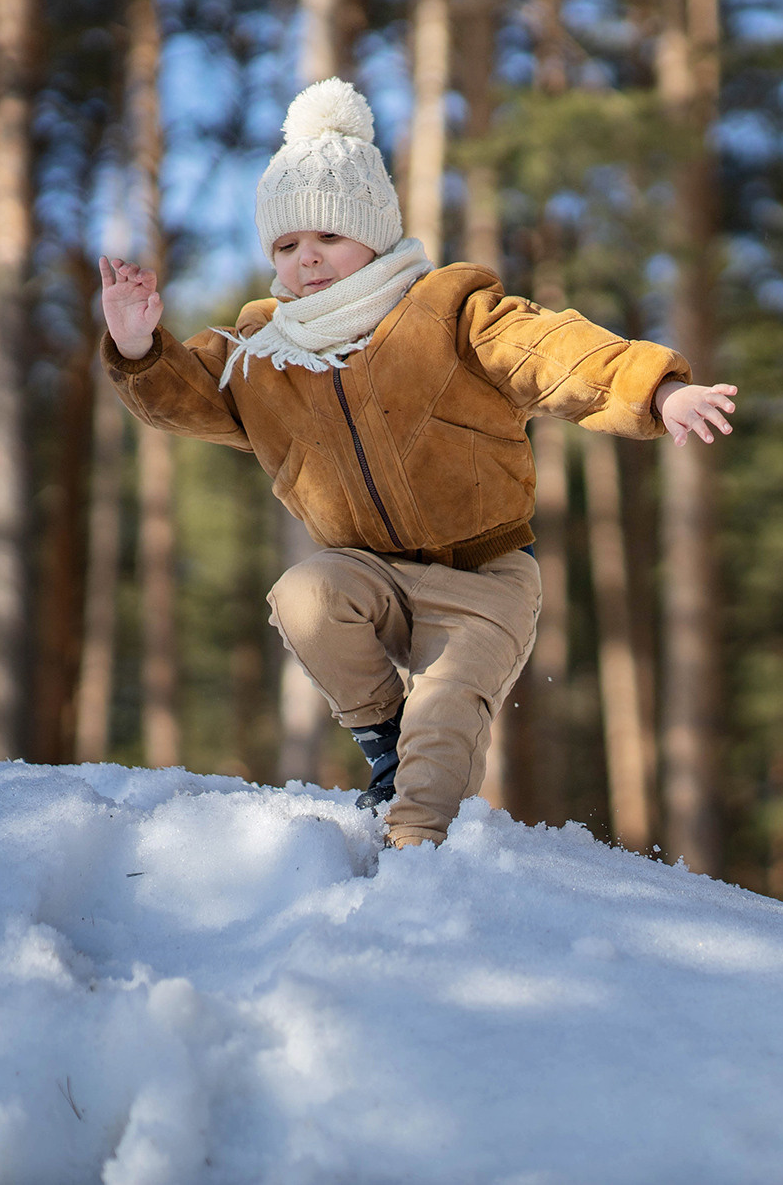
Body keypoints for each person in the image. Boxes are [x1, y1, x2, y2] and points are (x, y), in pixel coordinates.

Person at [98, 77, 736, 850]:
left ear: (373, 230)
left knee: (439, 743)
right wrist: (137, 345)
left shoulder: (447, 310)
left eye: (328, 235)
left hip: (483, 579)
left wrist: (657, 388)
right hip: (370, 576)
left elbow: (551, 351)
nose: (307, 258)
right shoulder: (264, 351)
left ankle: (417, 858)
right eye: (287, 246)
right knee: (304, 594)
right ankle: (384, 744)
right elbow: (187, 394)